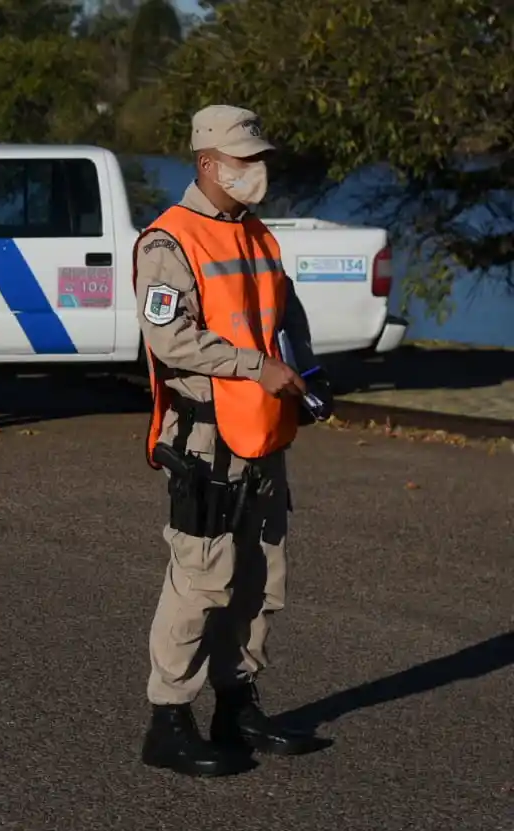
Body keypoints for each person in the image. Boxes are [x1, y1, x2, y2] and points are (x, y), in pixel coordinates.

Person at [133, 105, 331, 777]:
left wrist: (305, 374)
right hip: (204, 438)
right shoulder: (169, 240)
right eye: (244, 161)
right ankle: (168, 717)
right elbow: (169, 338)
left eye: (260, 159)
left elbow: (284, 312)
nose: (258, 172)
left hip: (264, 432)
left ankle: (237, 704)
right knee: (200, 578)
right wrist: (257, 367)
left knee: (259, 575)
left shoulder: (257, 235)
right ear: (207, 164)